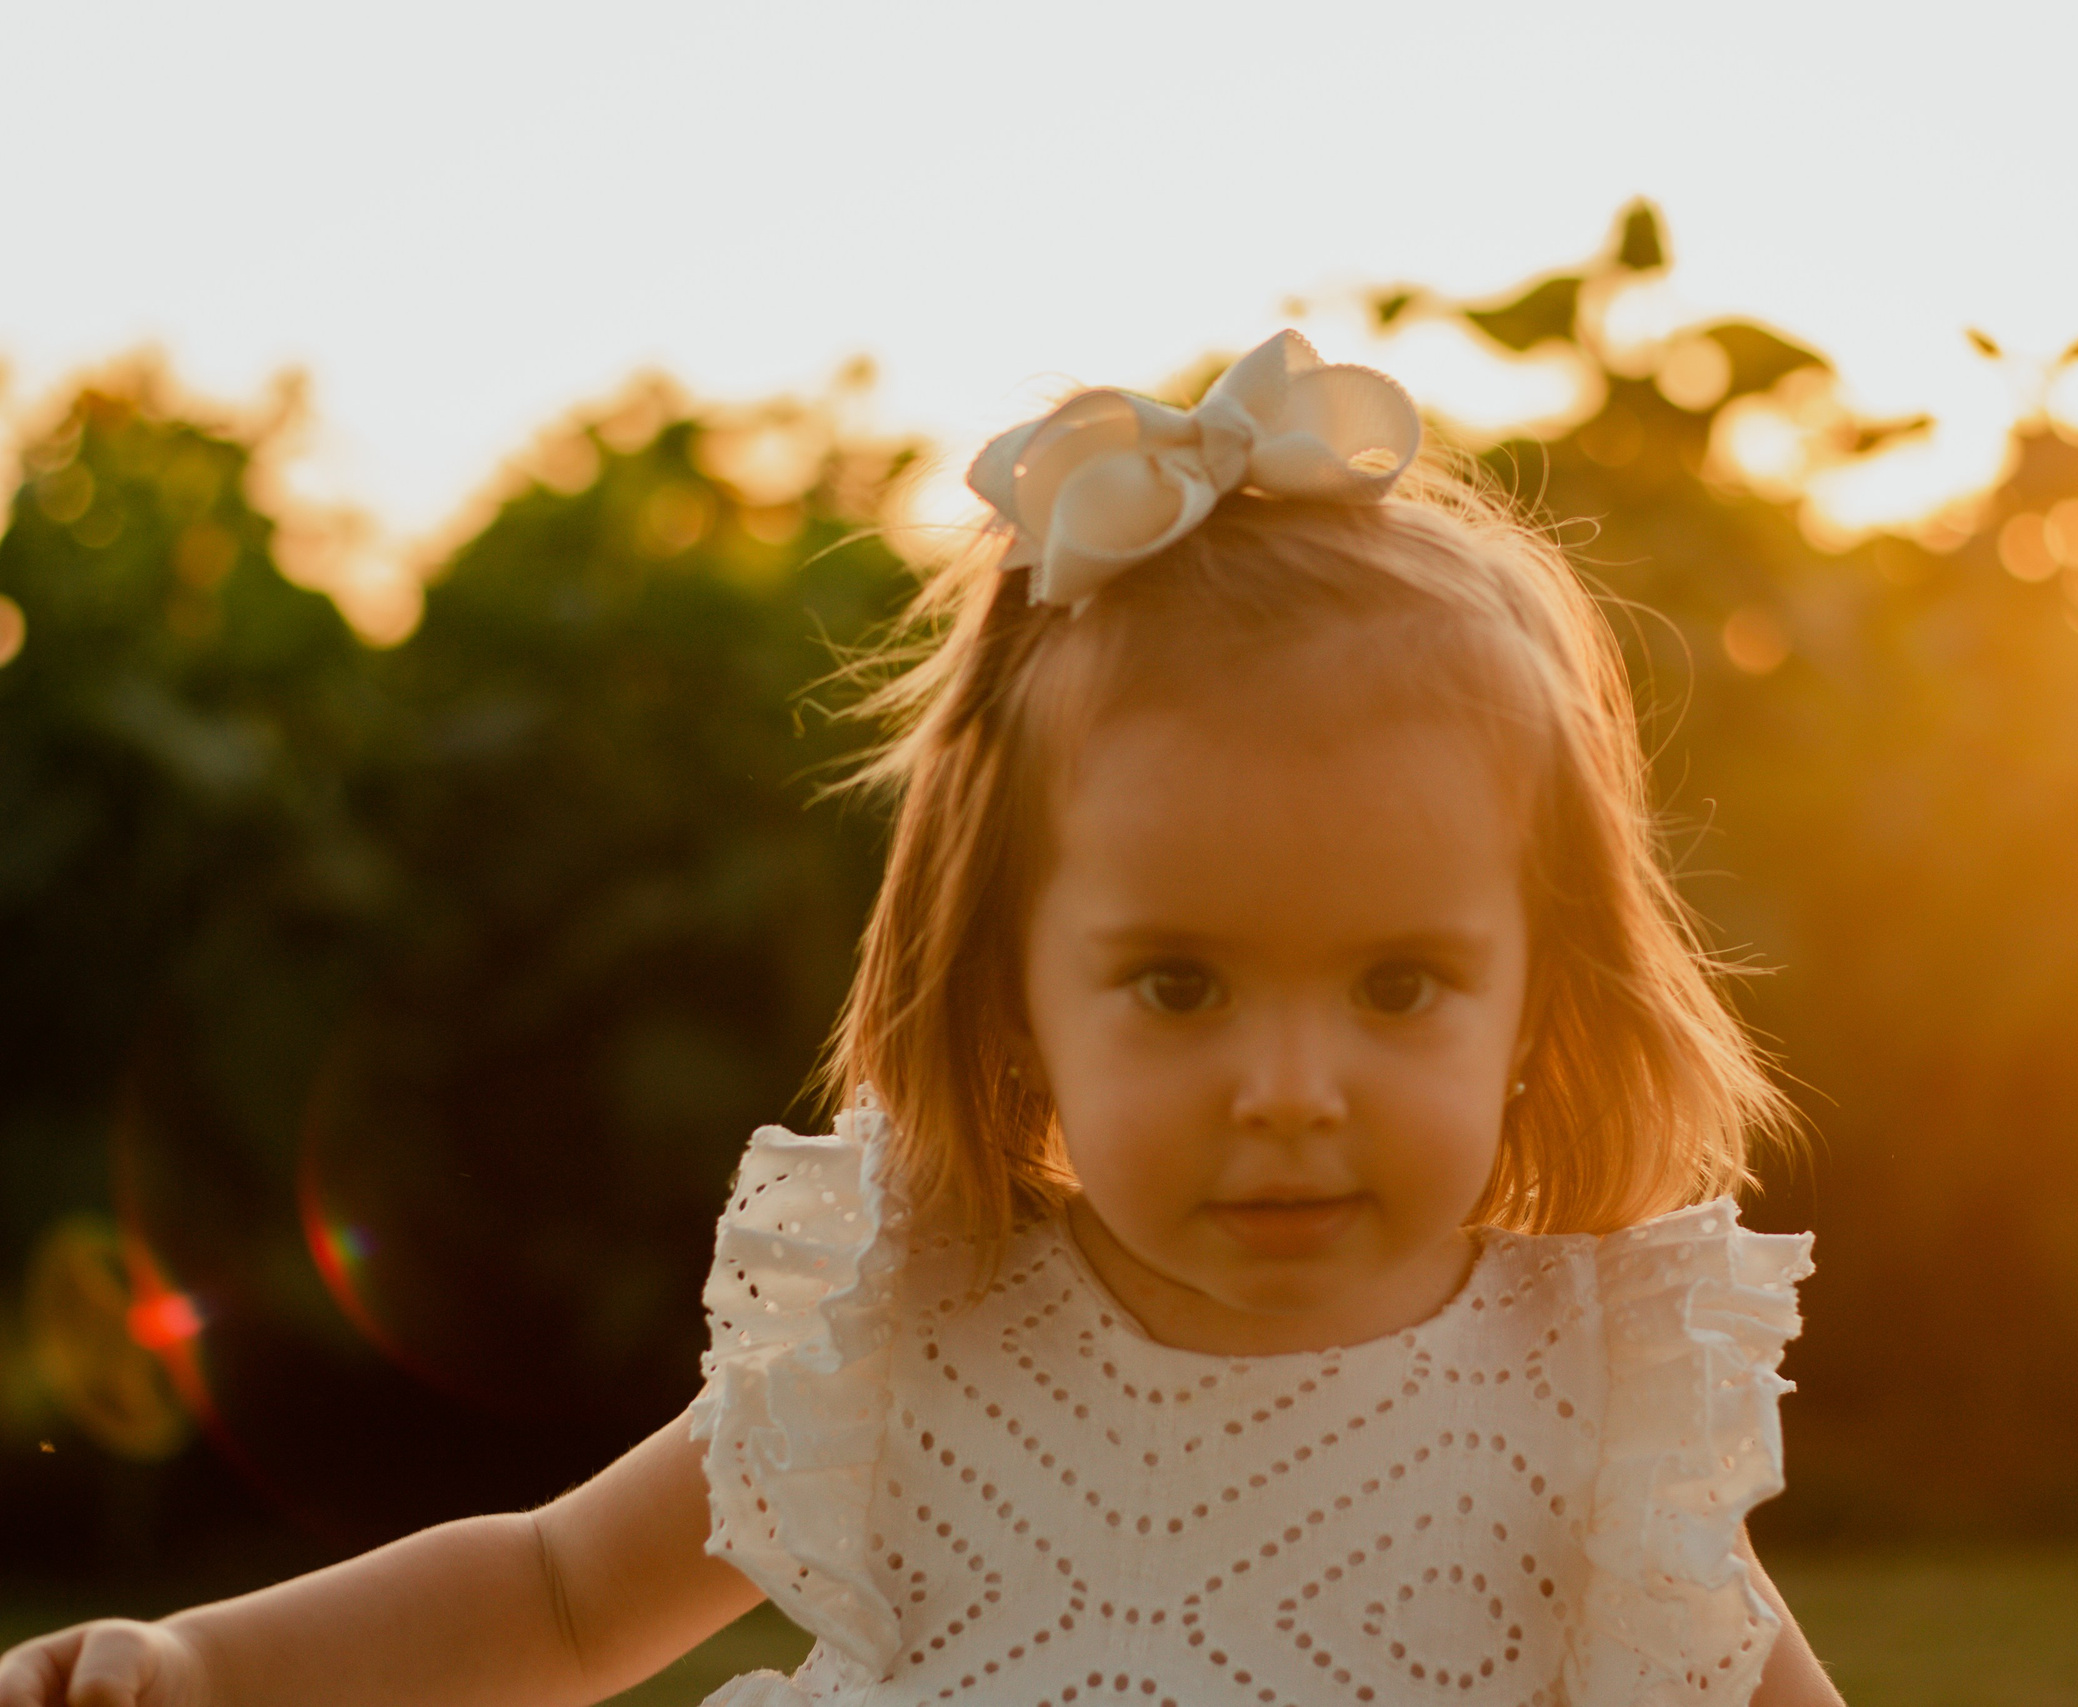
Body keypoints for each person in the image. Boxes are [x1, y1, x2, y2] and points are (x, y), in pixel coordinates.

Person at [0, 332, 1844, 1707]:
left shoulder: (1595, 1391)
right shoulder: (912, 1321)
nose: (1291, 1089)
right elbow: (560, 1596)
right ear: (1008, 992)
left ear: (1540, 994)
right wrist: (204, 1670)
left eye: (1398, 985)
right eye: (1179, 985)